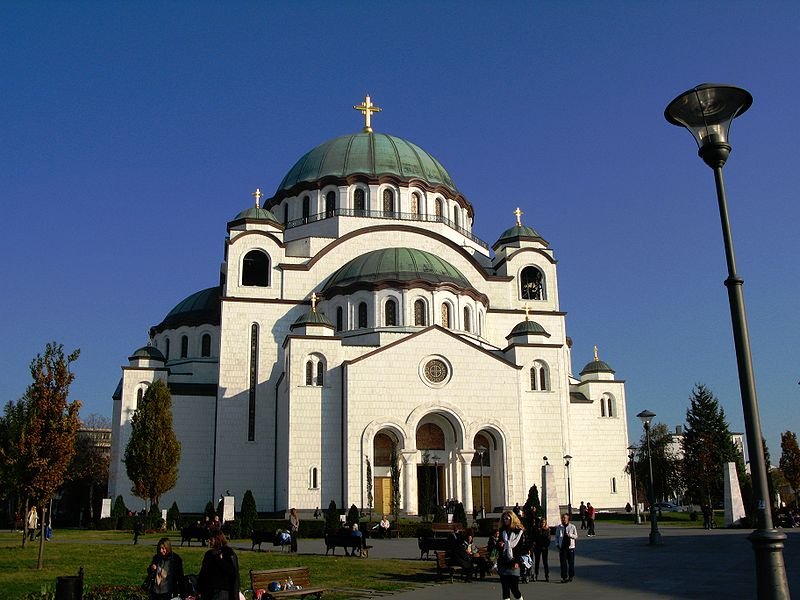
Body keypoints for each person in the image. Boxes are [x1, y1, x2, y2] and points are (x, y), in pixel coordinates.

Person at [198, 529, 240, 600]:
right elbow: (203, 573)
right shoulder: (209, 554)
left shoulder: (227, 553)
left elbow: (232, 572)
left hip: (221, 591)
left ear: (217, 539)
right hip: (210, 590)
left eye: (211, 539)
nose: (209, 541)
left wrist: (219, 560)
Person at [497, 510, 525, 600]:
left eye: (507, 518)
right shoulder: (502, 531)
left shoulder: (519, 532)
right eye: (504, 518)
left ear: (512, 519)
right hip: (503, 561)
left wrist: (517, 561)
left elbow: (520, 549)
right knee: (505, 589)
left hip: (514, 562)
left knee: (514, 589)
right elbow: (498, 545)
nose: (505, 520)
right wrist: (500, 544)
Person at [555, 512, 577, 583]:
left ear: (568, 519)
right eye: (562, 518)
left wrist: (570, 535)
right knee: (563, 563)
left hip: (570, 547)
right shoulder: (559, 527)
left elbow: (576, 536)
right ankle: (564, 577)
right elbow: (557, 536)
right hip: (562, 547)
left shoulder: (572, 527)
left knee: (571, 563)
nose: (563, 519)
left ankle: (571, 576)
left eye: (564, 518)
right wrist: (557, 544)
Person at [532, 518, 551, 582]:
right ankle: (536, 575)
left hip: (544, 548)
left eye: (544, 523)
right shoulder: (537, 529)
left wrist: (545, 546)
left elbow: (548, 539)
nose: (543, 524)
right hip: (537, 547)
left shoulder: (547, 530)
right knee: (537, 562)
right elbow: (534, 538)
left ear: (545, 523)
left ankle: (547, 576)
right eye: (542, 523)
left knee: (545, 562)